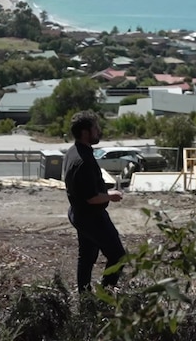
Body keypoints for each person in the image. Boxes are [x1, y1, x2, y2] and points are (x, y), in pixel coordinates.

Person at [62, 110, 126, 293]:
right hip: (92, 217)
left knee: (87, 256)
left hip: (79, 214)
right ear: (85, 132)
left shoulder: (73, 152)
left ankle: (84, 296)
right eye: (95, 128)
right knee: (118, 255)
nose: (99, 131)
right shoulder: (84, 161)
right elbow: (91, 197)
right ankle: (105, 294)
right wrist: (111, 195)